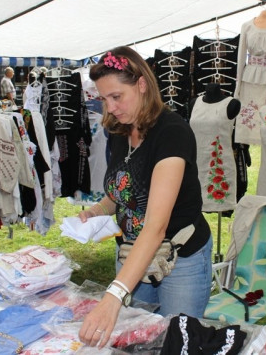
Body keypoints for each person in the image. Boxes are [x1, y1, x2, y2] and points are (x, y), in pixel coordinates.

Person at [77, 46, 212, 348]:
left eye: (116, 96)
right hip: (132, 256)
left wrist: (114, 295)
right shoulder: (120, 130)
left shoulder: (172, 133)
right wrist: (97, 211)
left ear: (141, 85)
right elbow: (122, 191)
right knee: (137, 342)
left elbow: (155, 226)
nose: (110, 107)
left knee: (177, 342)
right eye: (104, 99)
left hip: (180, 259)